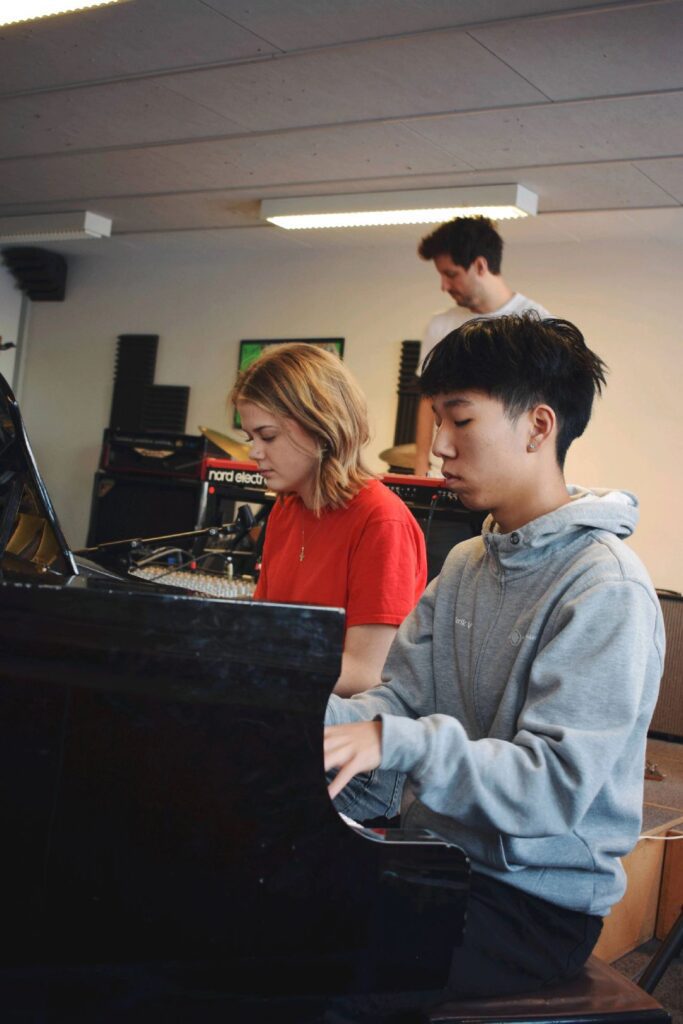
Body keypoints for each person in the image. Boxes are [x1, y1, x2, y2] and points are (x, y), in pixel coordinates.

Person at [324, 314, 664, 1005]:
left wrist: (394, 741)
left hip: (532, 905)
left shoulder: (606, 588)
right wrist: (287, 708)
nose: (436, 449)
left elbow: (551, 787)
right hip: (435, 862)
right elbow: (399, 701)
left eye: (460, 421)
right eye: (435, 422)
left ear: (538, 427)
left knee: (318, 971)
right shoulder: (466, 562)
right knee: (244, 912)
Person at [231, 342, 427, 698]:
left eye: (268, 436)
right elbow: (266, 629)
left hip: (338, 731)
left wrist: (242, 665)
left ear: (320, 426)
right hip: (281, 704)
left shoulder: (381, 519)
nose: (254, 452)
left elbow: (367, 672)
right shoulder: (287, 508)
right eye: (250, 438)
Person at [414, 215, 550, 476]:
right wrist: (421, 463)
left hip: (512, 473)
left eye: (451, 274)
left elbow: (543, 408)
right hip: (451, 469)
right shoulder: (441, 326)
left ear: (480, 265)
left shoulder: (538, 323)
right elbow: (428, 399)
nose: (444, 286)